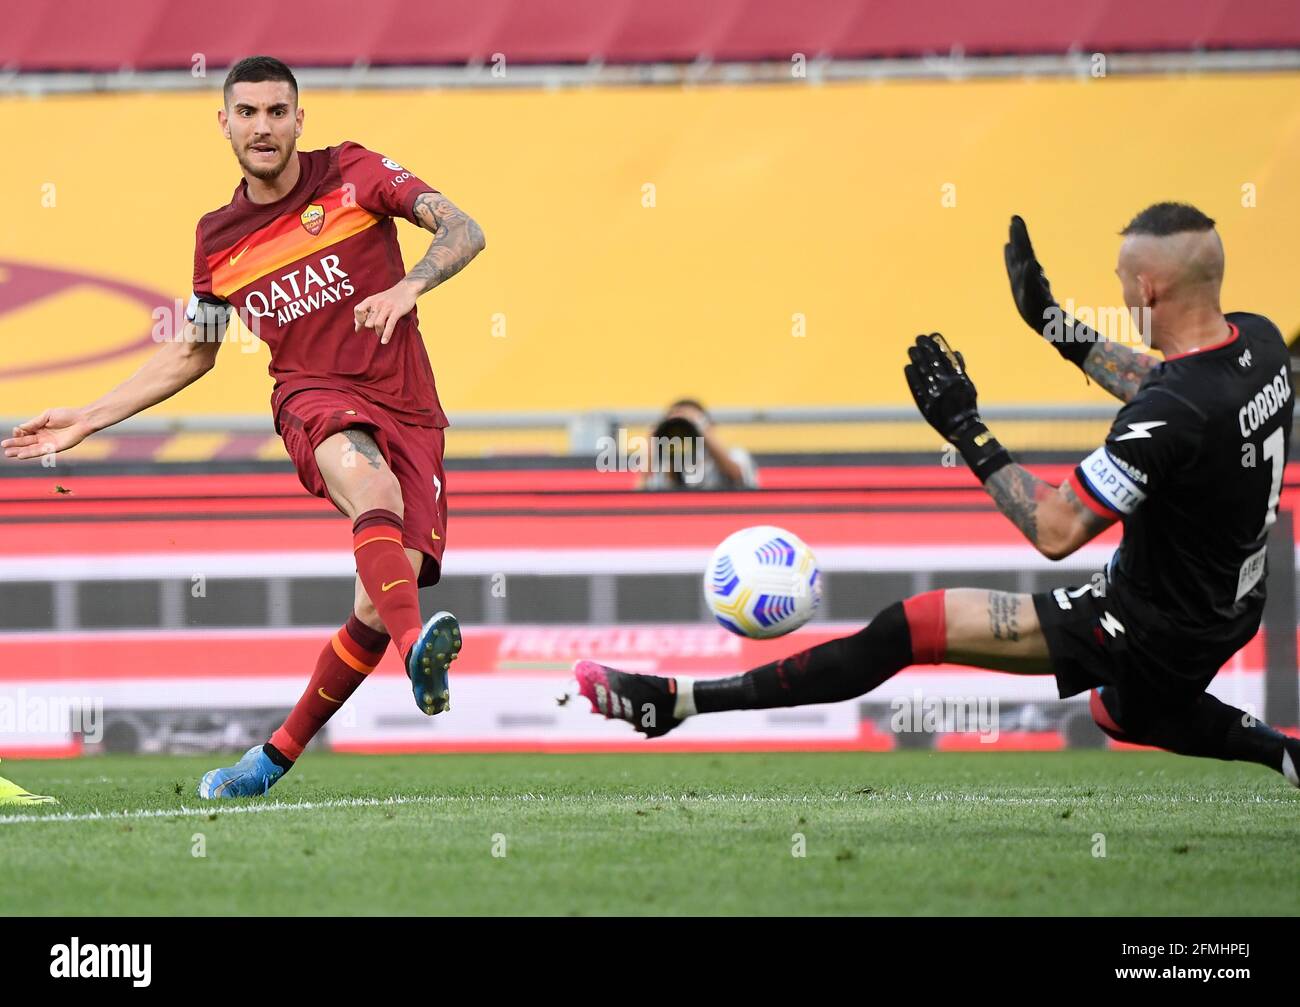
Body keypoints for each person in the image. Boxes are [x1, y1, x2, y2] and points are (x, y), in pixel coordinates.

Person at [575, 204, 1300, 788]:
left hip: (1149, 623)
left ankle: (676, 701)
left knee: (907, 629)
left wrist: (965, 429)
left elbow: (1055, 529)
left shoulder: (1173, 411)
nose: (1118, 295)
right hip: (1231, 604)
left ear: (1146, 289)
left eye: (1119, 280)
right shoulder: (1259, 345)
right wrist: (1052, 324)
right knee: (1121, 710)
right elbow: (1170, 391)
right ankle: (1282, 753)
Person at [1, 56, 486, 799]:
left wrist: (408, 285)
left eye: (277, 112)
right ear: (224, 123)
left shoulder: (355, 174)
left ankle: (267, 761)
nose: (263, 126)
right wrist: (88, 419)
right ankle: (417, 645)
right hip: (311, 396)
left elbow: (464, 227)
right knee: (369, 482)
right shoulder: (218, 240)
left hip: (411, 407)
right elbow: (196, 350)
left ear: (300, 120)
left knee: (380, 594)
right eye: (248, 112)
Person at [641, 399, 758, 490]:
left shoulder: (736, 454)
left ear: (710, 426)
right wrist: (656, 441)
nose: (683, 433)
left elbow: (738, 477)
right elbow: (643, 492)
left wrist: (702, 431)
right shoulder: (663, 463)